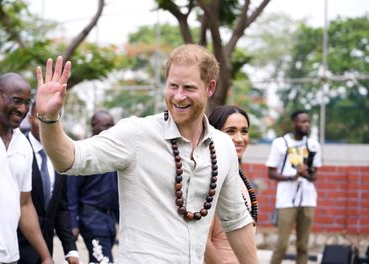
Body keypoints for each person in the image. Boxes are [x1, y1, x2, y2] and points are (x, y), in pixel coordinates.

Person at [35, 44, 258, 263]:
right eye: (173, 86)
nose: (179, 97)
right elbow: (70, 158)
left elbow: (236, 220)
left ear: (210, 88)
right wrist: (49, 119)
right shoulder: (136, 134)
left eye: (188, 88)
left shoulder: (222, 146)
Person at [0, 73, 53, 263]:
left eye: (27, 102)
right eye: (17, 100)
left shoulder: (23, 144)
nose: (23, 109)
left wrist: (45, 256)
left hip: (11, 256)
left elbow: (24, 204)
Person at [17, 101, 79, 264]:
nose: (47, 122)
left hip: (47, 255)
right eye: (40, 117)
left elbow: (61, 207)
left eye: (54, 117)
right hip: (16, 252)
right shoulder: (16, 151)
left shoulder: (59, 156)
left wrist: (70, 249)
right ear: (30, 118)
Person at [266, 110, 322, 264]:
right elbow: (271, 173)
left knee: (303, 246)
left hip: (308, 198)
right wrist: (292, 177)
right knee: (282, 245)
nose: (306, 125)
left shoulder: (313, 145)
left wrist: (305, 174)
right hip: (286, 199)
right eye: (302, 121)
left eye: (308, 122)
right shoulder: (280, 143)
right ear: (294, 123)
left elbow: (314, 176)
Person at [205, 105, 258, 264]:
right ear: (214, 133)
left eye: (244, 131)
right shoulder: (210, 178)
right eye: (231, 131)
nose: (240, 139)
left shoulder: (238, 175)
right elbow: (202, 242)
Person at [67, 110, 119, 263]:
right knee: (103, 260)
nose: (110, 129)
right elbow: (72, 192)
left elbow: (117, 190)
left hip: (109, 218)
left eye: (112, 125)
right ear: (94, 126)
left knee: (101, 259)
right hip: (92, 217)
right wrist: (73, 223)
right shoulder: (84, 152)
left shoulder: (115, 152)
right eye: (106, 125)